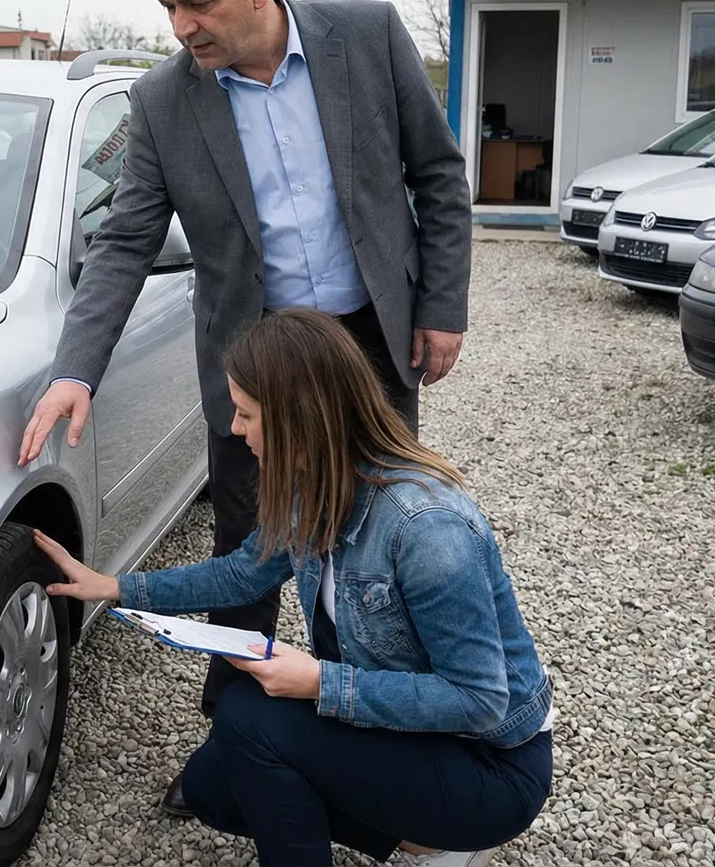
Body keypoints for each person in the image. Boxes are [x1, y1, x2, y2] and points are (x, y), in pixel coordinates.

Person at [16, 0, 473, 809]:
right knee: (247, 554)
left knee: (374, 547)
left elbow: (437, 176)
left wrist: (442, 306)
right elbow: (124, 242)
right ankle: (232, 747)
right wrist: (76, 370)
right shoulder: (161, 101)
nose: (182, 28)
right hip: (251, 369)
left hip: (368, 347)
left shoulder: (369, 37)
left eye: (199, 3)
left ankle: (369, 737)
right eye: (168, 8)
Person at [32, 308, 552, 867]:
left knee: (247, 720)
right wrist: (113, 586)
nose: (234, 429)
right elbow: (239, 574)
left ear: (300, 419)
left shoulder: (425, 527)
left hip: (488, 764)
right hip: (408, 733)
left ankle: (442, 828)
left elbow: (478, 700)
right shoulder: (315, 489)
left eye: (247, 414)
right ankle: (418, 838)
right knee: (213, 787)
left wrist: (319, 682)